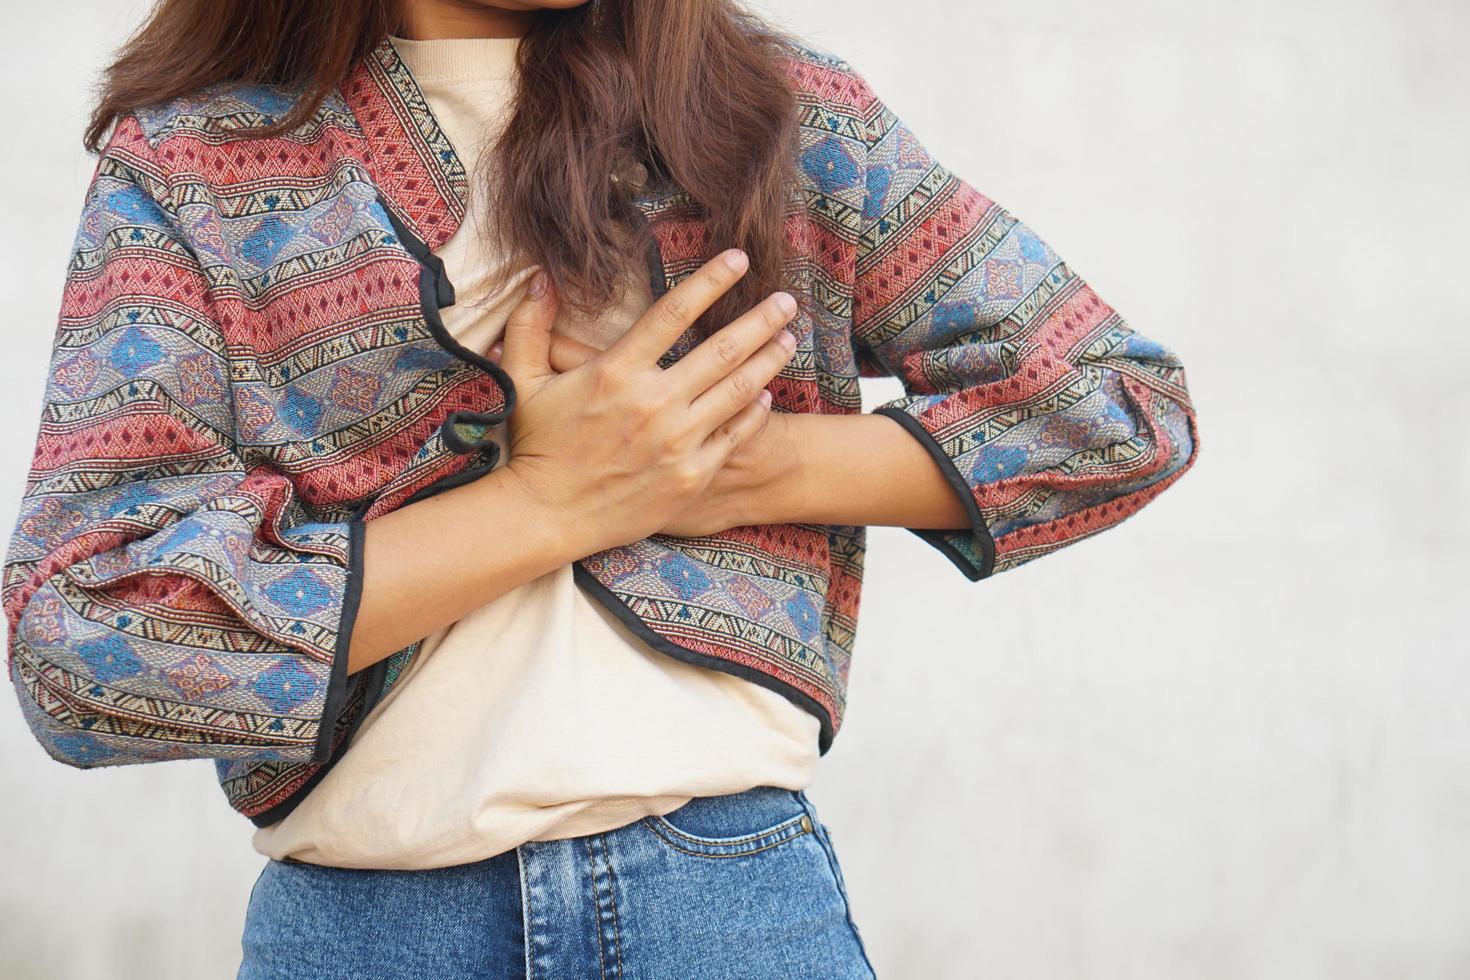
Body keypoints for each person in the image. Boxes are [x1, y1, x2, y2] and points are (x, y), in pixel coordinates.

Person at [2, 0, 1200, 975]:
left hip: (727, 905)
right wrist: (550, 502)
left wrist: (748, 466)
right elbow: (82, 636)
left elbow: (1118, 407)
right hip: (368, 929)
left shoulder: (774, 114)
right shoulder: (196, 163)